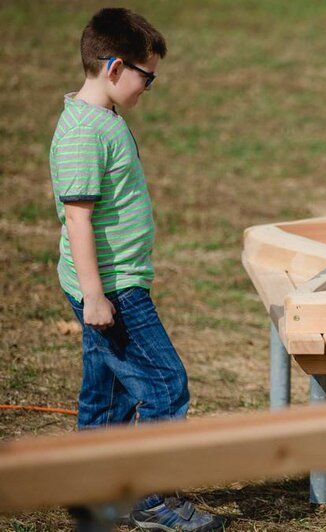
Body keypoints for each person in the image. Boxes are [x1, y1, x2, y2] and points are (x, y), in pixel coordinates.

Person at [49, 8, 224, 531]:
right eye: (147, 75)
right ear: (115, 67)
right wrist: (96, 296)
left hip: (111, 282)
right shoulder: (83, 133)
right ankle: (153, 500)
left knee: (108, 391)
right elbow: (78, 221)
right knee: (166, 384)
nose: (150, 85)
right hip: (113, 288)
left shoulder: (102, 119)